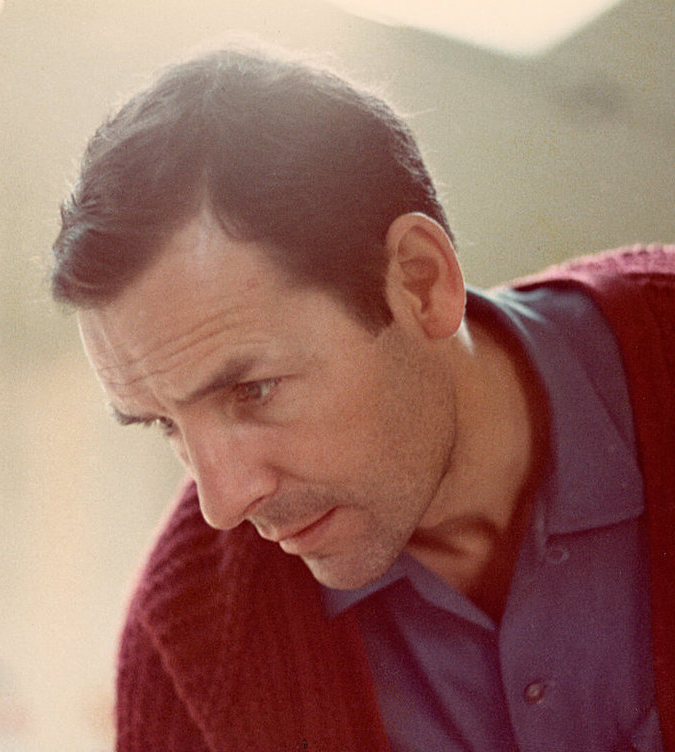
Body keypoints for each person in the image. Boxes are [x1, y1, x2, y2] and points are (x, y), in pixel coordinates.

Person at [50, 45, 674, 752]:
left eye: (253, 390)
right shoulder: (190, 646)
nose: (224, 504)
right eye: (165, 424)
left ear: (418, 282)